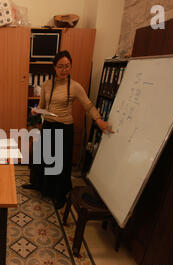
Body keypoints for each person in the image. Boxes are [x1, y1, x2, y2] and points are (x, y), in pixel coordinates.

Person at [23, 50, 113, 210]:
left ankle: (59, 195)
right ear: (54, 67)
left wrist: (99, 120)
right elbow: (42, 106)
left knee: (59, 163)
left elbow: (88, 106)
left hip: (64, 128)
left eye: (67, 66)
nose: (64, 70)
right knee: (42, 157)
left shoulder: (75, 87)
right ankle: (39, 185)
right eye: (60, 66)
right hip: (48, 125)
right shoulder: (46, 84)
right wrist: (35, 111)